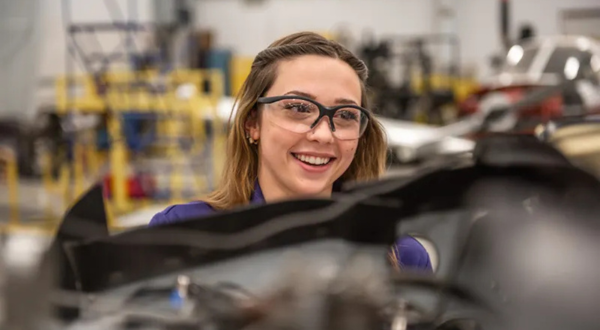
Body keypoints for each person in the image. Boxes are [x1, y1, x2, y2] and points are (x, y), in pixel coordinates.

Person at [149, 31, 432, 272]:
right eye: (298, 108)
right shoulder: (182, 233)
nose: (323, 134)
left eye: (346, 115)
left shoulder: (401, 256)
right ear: (252, 123)